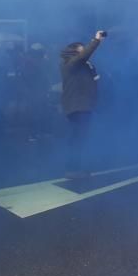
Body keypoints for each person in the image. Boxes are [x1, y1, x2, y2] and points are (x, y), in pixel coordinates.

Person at [60, 31, 106, 179]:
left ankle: (75, 168)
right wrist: (96, 41)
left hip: (84, 105)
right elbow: (83, 57)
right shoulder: (70, 63)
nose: (85, 50)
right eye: (82, 48)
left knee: (80, 138)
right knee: (77, 139)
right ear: (74, 51)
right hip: (77, 106)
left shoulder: (83, 65)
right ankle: (71, 169)